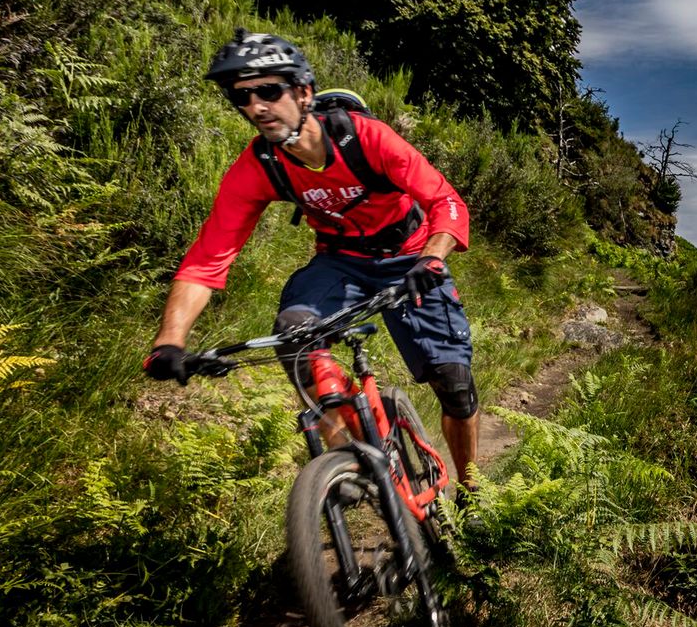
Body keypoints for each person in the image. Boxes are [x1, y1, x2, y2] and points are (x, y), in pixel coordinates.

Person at [143, 31, 481, 488]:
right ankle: (356, 466)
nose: (257, 106)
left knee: (455, 383)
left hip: (411, 256)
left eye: (268, 90)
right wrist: (170, 343)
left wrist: (433, 259)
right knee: (294, 331)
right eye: (242, 96)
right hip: (339, 262)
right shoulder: (260, 166)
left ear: (303, 92)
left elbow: (447, 202)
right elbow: (207, 259)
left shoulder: (367, 138)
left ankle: (471, 488)